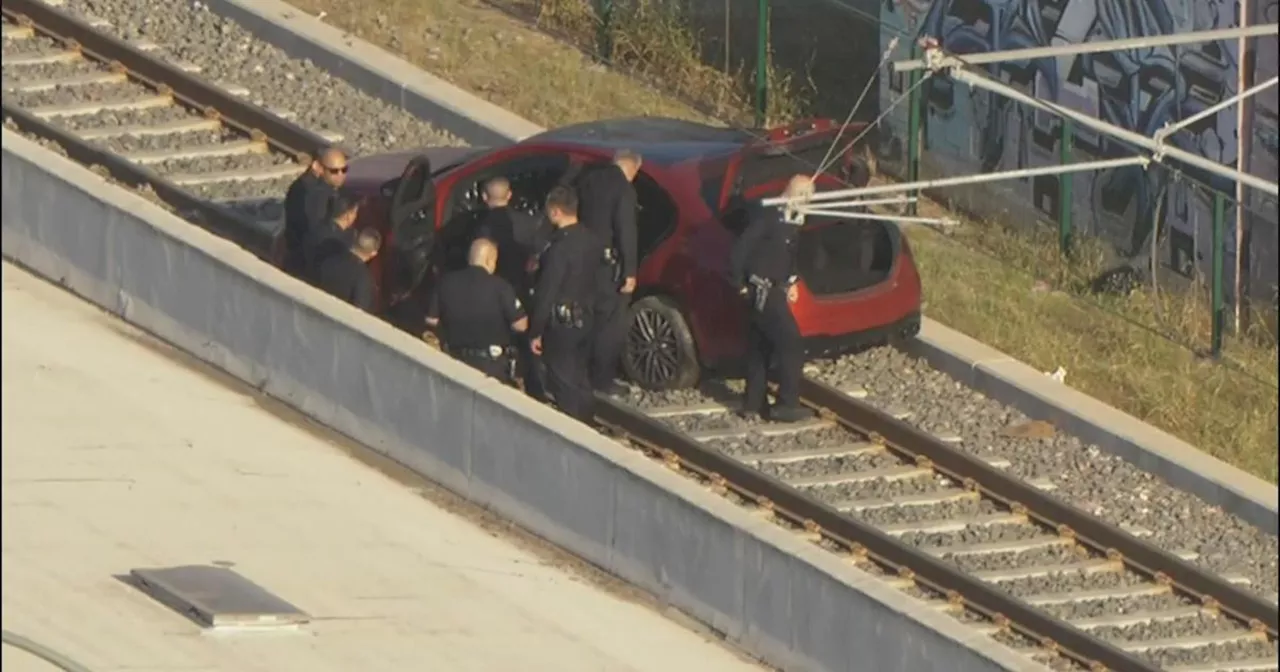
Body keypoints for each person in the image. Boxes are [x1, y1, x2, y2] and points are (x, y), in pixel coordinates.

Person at [728, 175, 814, 424]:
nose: (808, 202)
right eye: (805, 196)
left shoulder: (791, 223)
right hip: (763, 291)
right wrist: (739, 284)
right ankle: (786, 403)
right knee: (791, 344)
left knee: (760, 348)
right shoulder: (768, 218)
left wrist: (792, 281)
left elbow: (788, 257)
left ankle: (752, 403)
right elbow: (740, 251)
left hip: (773, 289)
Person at [529, 186, 601, 423]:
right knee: (581, 376)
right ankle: (588, 419)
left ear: (556, 211)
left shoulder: (559, 249)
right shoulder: (591, 240)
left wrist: (535, 330)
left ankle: (573, 426)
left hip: (562, 322)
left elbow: (547, 291)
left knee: (562, 379)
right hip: (587, 316)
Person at [574, 149, 641, 396]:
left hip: (584, 259)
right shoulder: (624, 190)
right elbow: (626, 231)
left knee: (586, 316)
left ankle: (580, 370)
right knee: (609, 324)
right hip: (608, 265)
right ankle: (602, 378)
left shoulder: (589, 180)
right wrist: (630, 271)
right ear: (632, 168)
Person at [473, 177, 547, 399]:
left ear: (484, 197)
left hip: (493, 291)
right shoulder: (528, 223)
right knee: (525, 343)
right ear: (509, 195)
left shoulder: (481, 226)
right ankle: (535, 389)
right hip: (522, 289)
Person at [425, 238, 529, 384]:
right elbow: (521, 325)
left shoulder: (446, 282)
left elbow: (431, 320)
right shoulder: (501, 287)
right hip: (490, 365)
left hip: (454, 359)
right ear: (489, 260)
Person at [282, 146, 348, 279]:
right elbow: (316, 232)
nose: (341, 175)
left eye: (344, 169)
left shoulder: (306, 185)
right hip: (308, 263)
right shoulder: (315, 194)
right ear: (318, 167)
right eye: (334, 171)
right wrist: (339, 225)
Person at [313, 227, 382, 313]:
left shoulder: (330, 260)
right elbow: (359, 312)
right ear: (374, 253)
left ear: (355, 240)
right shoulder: (365, 279)